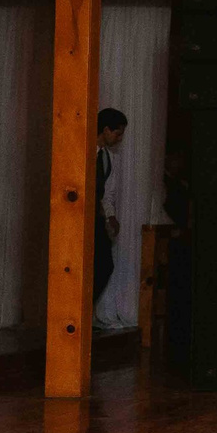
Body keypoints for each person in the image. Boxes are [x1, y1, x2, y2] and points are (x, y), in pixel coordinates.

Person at [94, 108, 127, 305]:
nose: (119, 139)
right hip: (75, 218)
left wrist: (110, 216)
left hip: (95, 219)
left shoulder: (107, 158)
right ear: (106, 130)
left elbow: (106, 193)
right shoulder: (82, 151)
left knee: (104, 266)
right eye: (118, 133)